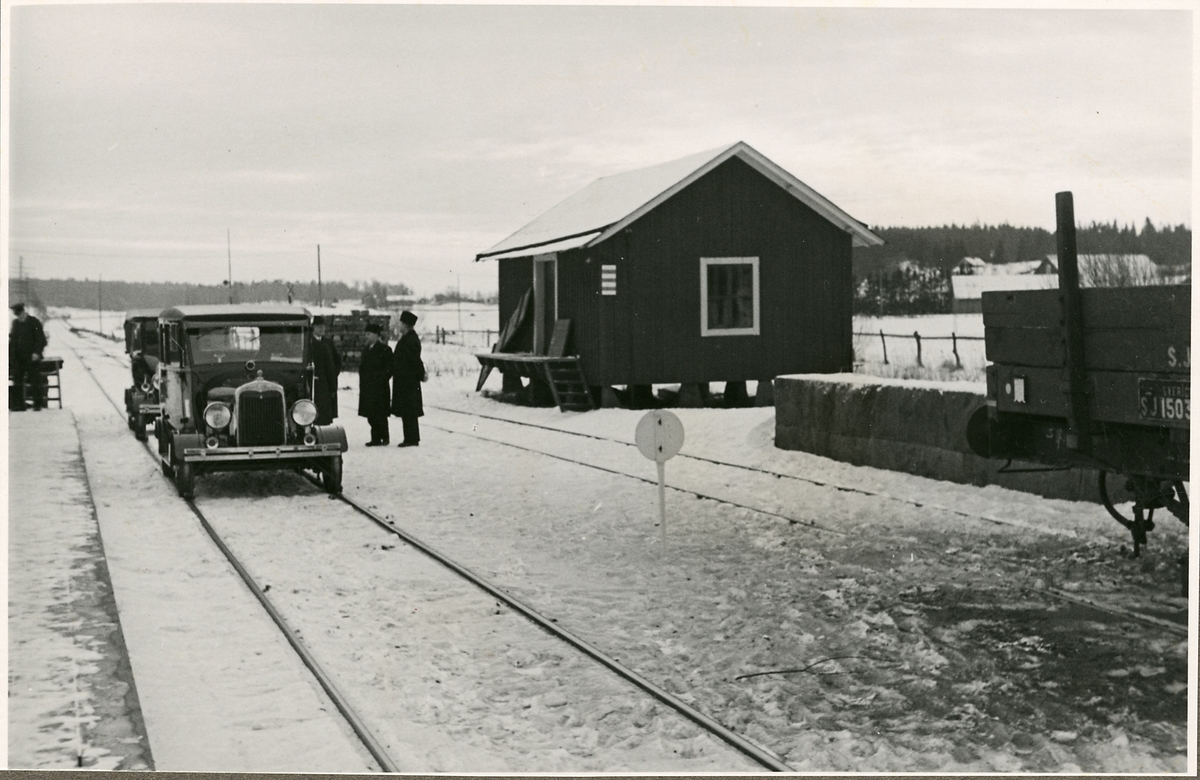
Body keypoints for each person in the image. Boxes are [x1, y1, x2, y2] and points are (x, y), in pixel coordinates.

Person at [390, 310, 425, 447]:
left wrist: (420, 374)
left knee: (409, 410)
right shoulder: (408, 338)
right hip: (405, 380)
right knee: (407, 410)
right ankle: (410, 438)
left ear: (406, 325)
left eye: (401, 324)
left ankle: (412, 439)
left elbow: (414, 360)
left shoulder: (410, 340)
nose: (400, 326)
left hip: (408, 381)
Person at [357, 322, 392, 446]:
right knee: (370, 414)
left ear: (377, 335)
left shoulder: (385, 349)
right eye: (366, 334)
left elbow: (390, 368)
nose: (366, 336)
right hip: (367, 387)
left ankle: (385, 437)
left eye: (369, 334)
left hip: (380, 388)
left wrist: (381, 379)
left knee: (380, 414)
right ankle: (375, 438)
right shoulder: (366, 350)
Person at [9, 303, 47, 411]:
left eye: (20, 315)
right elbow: (13, 340)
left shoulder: (34, 322)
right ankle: (19, 405)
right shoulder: (15, 323)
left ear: (23, 312)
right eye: (18, 316)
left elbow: (41, 339)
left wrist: (37, 353)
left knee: (35, 380)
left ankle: (37, 404)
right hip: (18, 358)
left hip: (32, 357)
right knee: (17, 380)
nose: (19, 318)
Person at [309, 316, 341, 425]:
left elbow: (337, 361)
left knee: (325, 414)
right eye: (319, 326)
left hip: (325, 382)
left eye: (323, 326)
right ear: (313, 327)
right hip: (313, 381)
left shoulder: (328, 342)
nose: (322, 329)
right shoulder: (308, 342)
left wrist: (332, 375)